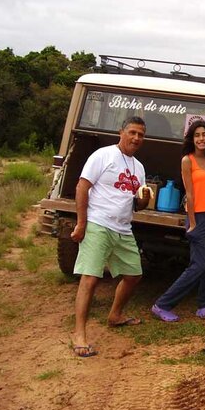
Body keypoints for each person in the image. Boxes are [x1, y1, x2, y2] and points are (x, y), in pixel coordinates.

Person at [70, 116, 153, 357]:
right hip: (98, 224)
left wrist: (143, 201)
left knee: (134, 275)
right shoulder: (102, 156)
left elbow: (136, 203)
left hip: (123, 228)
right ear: (122, 132)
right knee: (90, 278)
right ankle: (79, 335)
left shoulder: (139, 167)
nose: (136, 138)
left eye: (141, 135)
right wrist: (82, 223)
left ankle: (115, 315)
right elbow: (82, 187)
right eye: (133, 132)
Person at [151, 120, 205, 322]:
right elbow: (190, 194)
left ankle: (204, 306)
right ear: (192, 139)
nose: (201, 138)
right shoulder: (188, 160)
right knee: (198, 265)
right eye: (197, 135)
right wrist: (193, 223)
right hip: (198, 218)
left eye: (204, 135)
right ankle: (162, 305)